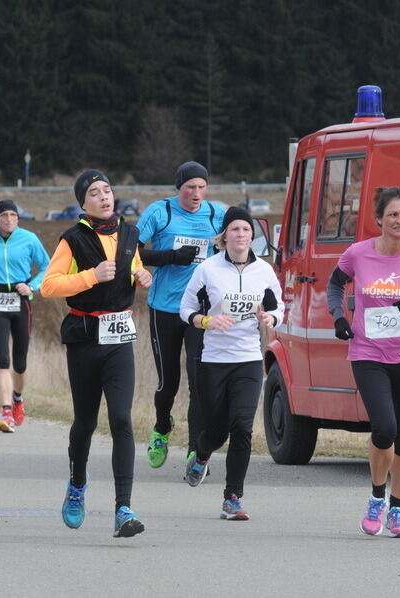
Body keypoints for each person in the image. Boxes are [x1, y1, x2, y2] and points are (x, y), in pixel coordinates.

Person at [327, 186, 400, 538]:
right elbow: (335, 286)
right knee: (385, 429)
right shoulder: (357, 253)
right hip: (367, 353)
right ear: (379, 219)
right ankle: (376, 497)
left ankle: (398, 507)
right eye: (393, 214)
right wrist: (338, 317)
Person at [42, 170, 152, 538]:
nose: (104, 197)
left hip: (119, 336)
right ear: (83, 202)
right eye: (94, 192)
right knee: (86, 422)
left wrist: (142, 275)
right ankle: (76, 486)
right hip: (85, 338)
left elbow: (134, 267)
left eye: (107, 190)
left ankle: (124, 508)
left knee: (121, 418)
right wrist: (91, 275)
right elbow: (49, 286)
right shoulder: (72, 239)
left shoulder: (131, 234)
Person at [179, 207, 284, 520]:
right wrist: (207, 321)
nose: (241, 235)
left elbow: (280, 308)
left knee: (241, 427)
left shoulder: (264, 271)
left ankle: (232, 497)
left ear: (253, 236)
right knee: (218, 428)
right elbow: (185, 310)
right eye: (235, 230)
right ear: (224, 236)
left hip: (249, 360)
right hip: (213, 360)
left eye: (246, 230)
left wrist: (270, 317)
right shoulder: (208, 270)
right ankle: (201, 454)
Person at [137, 161, 226, 470]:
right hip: (165, 308)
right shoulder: (160, 212)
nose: (196, 194)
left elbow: (237, 248)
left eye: (202, 187)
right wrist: (171, 257)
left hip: (201, 313)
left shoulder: (216, 214)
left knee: (199, 381)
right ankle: (162, 427)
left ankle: (194, 451)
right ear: (179, 188)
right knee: (168, 383)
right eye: (190, 187)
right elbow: (131, 252)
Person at [0, 199, 51, 433]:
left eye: (13, 215)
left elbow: (48, 265)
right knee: (2, 359)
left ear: (18, 218)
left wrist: (33, 286)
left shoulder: (29, 238)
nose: (9, 219)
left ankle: (18, 398)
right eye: (4, 215)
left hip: (21, 301)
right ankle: (6, 411)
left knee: (20, 362)